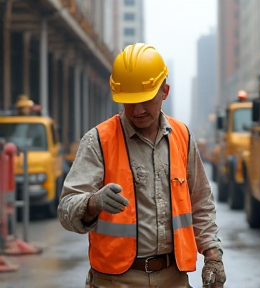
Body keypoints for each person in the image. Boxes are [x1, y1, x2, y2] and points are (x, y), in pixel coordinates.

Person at [58, 43, 226, 288]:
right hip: (115, 281)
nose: (137, 110)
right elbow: (66, 210)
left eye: (145, 100)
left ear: (164, 91)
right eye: (129, 101)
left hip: (173, 278)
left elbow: (200, 202)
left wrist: (212, 255)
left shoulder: (182, 137)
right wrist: (93, 203)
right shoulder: (98, 140)